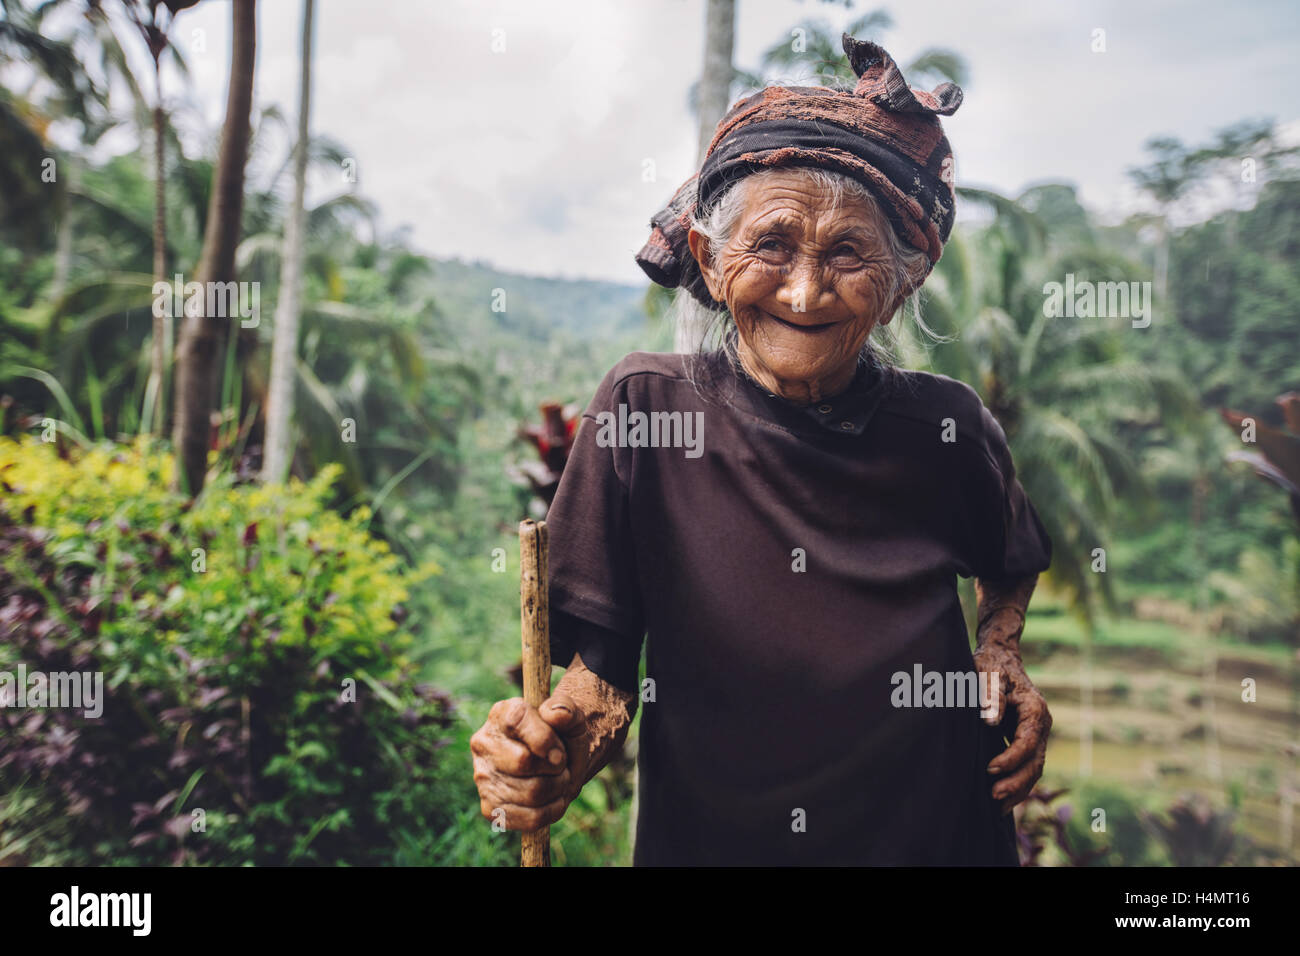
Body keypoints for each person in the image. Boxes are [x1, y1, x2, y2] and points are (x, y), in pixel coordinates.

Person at [471, 34, 1053, 865]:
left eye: (848, 253)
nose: (806, 291)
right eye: (772, 244)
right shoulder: (643, 411)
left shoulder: (948, 429)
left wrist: (1001, 652)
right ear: (710, 262)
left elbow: (1011, 557)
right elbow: (599, 681)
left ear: (902, 284)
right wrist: (550, 758)